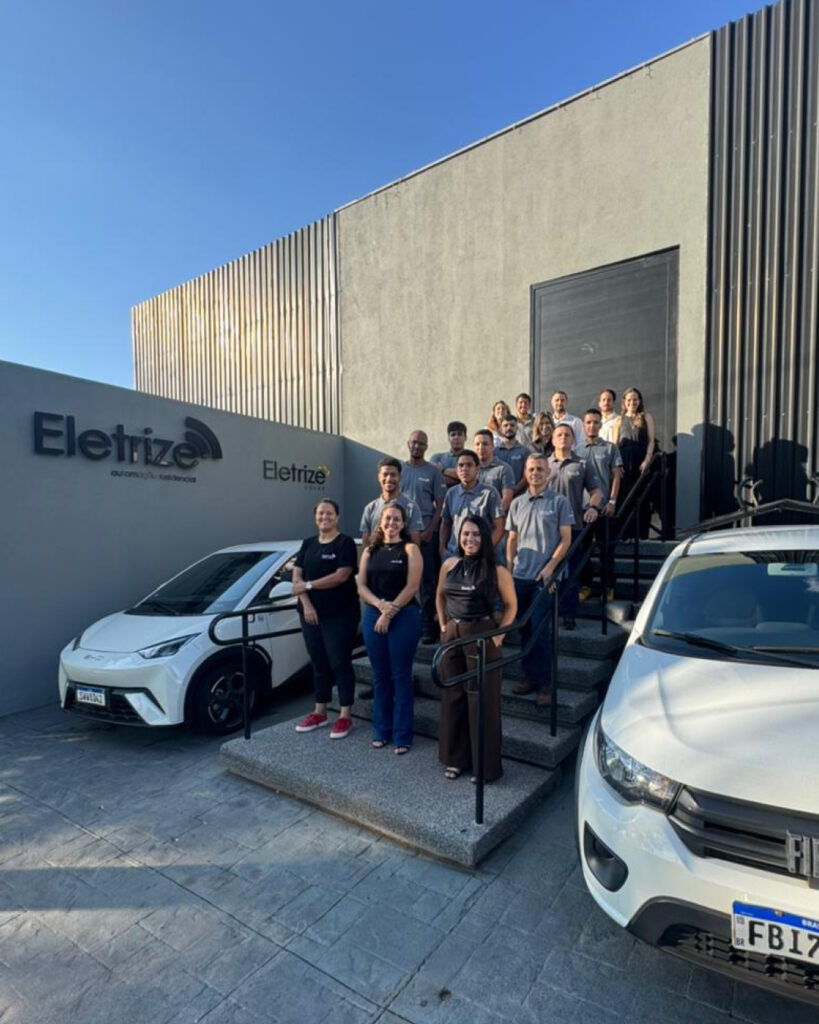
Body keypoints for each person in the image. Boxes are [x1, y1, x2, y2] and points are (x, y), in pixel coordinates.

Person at [436, 516, 517, 782]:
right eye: (465, 534)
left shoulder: (497, 570)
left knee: (482, 701)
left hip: (482, 635)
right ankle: (455, 759)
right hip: (452, 635)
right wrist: (443, 624)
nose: (469, 539)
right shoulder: (449, 564)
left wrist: (499, 637)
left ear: (484, 538)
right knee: (453, 696)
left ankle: (484, 767)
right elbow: (440, 596)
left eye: (476, 534)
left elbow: (511, 606)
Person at [506, 454, 573, 706]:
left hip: (545, 578)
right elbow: (512, 539)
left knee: (540, 630)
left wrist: (550, 568)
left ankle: (546, 684)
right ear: (525, 473)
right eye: (531, 469)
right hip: (520, 576)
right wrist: (509, 568)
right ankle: (530, 677)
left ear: (548, 472)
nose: (535, 473)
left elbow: (566, 540)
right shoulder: (517, 503)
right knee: (524, 628)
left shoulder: (559, 502)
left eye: (540, 469)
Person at [357, 502, 423, 754]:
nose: (391, 523)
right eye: (388, 518)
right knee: (380, 675)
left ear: (403, 524)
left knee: (401, 675)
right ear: (380, 522)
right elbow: (361, 586)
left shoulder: (410, 549)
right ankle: (381, 731)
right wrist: (380, 606)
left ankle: (402, 736)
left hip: (404, 614)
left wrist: (389, 611)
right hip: (374, 612)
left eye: (397, 519)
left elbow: (412, 586)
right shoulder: (369, 551)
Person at [293, 500, 360, 738]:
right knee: (319, 662)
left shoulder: (345, 543)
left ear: (337, 517)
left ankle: (345, 715)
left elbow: (342, 575)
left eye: (329, 513)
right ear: (315, 517)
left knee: (339, 662)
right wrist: (307, 604)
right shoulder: (308, 544)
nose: (325, 517)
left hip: (340, 614)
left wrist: (309, 585)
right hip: (310, 614)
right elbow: (297, 579)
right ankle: (319, 711)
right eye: (321, 513)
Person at [547, 424, 604, 629]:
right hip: (546, 527)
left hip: (573, 526)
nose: (563, 437)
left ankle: (568, 614)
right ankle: (547, 612)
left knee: (570, 572)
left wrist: (593, 507)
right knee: (547, 570)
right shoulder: (544, 464)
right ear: (553, 439)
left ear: (573, 439)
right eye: (559, 434)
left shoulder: (582, 463)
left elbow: (596, 491)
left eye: (567, 434)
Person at [402, 430, 446, 643]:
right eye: (414, 442)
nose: (417, 446)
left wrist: (430, 530)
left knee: (427, 582)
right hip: (402, 536)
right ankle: (408, 624)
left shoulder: (433, 472)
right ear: (408, 444)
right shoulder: (399, 470)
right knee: (402, 580)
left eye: (421, 443)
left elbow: (440, 505)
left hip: (426, 536)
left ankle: (429, 627)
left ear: (426, 447)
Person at [575, 409, 623, 603]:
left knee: (606, 550)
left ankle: (608, 587)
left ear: (600, 425)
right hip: (582, 509)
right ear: (583, 425)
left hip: (603, 508)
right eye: (588, 422)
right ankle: (585, 586)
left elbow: (617, 476)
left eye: (595, 422)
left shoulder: (610, 448)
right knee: (582, 550)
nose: (592, 426)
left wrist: (612, 501)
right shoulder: (576, 450)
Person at [439, 450, 505, 558]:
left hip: (480, 555)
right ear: (456, 469)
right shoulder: (451, 493)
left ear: (477, 469)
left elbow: (500, 527)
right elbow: (445, 523)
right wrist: (442, 548)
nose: (464, 469)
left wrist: (485, 550)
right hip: (454, 554)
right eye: (461, 465)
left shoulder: (489, 493)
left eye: (469, 465)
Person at [613, 387, 656, 539]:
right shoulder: (619, 420)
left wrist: (647, 459)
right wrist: (616, 464)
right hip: (624, 462)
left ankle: (641, 534)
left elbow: (651, 441)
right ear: (624, 402)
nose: (632, 402)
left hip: (640, 462)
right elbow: (615, 445)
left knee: (640, 497)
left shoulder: (646, 417)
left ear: (639, 401)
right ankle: (623, 535)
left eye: (635, 399)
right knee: (624, 497)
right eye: (629, 400)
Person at [360, 457, 423, 547]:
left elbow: (415, 543)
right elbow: (365, 544)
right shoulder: (370, 508)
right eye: (385, 474)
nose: (389, 479)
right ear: (379, 477)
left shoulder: (412, 508)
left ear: (400, 477)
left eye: (393, 475)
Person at [473, 429, 515, 513]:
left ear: (493, 446)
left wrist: (494, 517)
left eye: (485, 444)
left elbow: (506, 500)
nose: (481, 447)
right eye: (477, 444)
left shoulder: (504, 469)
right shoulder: (471, 469)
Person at [494, 413, 532, 496]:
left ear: (517, 428)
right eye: (505, 425)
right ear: (501, 429)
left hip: (518, 496)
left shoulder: (525, 451)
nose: (509, 428)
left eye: (512, 425)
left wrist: (513, 490)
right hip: (497, 496)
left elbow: (526, 475)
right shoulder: (495, 452)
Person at [430, 421, 468, 487]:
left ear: (465, 438)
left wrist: (442, 470)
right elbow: (431, 479)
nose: (456, 437)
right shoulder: (437, 458)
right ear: (448, 438)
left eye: (459, 434)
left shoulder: (472, 457)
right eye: (453, 435)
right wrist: (460, 479)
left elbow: (470, 476)